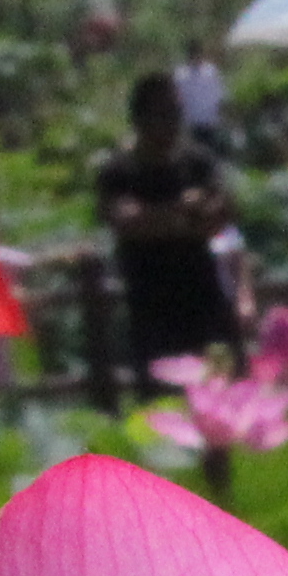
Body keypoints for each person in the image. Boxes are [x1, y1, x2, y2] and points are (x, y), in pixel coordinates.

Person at [95, 69, 242, 372]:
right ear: (139, 120)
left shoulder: (198, 162)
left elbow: (224, 212)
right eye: (163, 114)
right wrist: (184, 214)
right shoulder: (119, 171)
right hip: (151, 306)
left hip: (203, 299)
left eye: (176, 113)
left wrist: (173, 218)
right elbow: (129, 223)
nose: (173, 122)